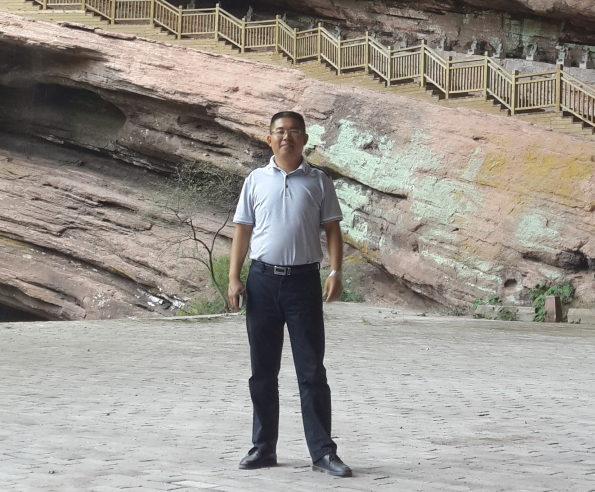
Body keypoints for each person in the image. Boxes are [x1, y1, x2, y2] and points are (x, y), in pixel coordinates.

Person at [228, 111, 352, 477]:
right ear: (269, 139)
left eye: (294, 131)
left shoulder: (318, 180)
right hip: (262, 281)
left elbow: (332, 230)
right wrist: (234, 277)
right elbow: (242, 231)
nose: (287, 137)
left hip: (303, 283)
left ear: (305, 139)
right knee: (262, 372)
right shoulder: (255, 180)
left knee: (312, 371)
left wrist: (335, 272)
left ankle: (323, 453)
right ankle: (263, 448)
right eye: (280, 132)